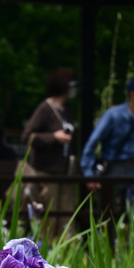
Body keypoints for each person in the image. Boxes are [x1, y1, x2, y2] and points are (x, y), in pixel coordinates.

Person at [81, 75, 134, 213]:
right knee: (107, 212)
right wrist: (89, 174)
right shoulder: (113, 115)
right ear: (132, 94)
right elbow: (92, 143)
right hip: (114, 167)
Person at [22, 68, 76, 235]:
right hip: (46, 174)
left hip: (64, 172)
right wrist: (53, 137)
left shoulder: (67, 110)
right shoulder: (45, 108)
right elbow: (27, 136)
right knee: (49, 220)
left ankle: (67, 254)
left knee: (66, 219)